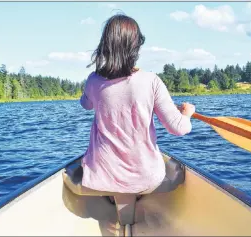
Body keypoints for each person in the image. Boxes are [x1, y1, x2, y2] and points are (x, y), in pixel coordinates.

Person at [80, 14, 195, 195]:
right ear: (135, 47)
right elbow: (178, 128)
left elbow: (85, 105)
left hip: (101, 179)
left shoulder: (93, 80)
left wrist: (92, 90)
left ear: (105, 46)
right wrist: (187, 114)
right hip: (146, 180)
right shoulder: (151, 81)